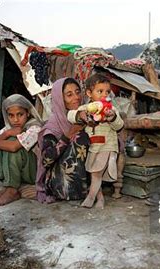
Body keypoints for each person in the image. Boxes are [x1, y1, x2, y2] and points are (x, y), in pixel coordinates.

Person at [67, 74, 124, 209]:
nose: (104, 95)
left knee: (97, 172)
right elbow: (70, 116)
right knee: (93, 172)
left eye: (107, 92)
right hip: (93, 147)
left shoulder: (111, 109)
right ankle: (100, 198)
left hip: (108, 146)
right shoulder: (86, 108)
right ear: (89, 93)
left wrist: (112, 117)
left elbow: (119, 125)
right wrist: (80, 116)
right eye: (100, 91)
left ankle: (90, 197)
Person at [36, 77, 90, 203]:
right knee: (80, 137)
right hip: (59, 181)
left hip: (83, 177)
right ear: (60, 100)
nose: (76, 97)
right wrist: (69, 134)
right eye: (69, 95)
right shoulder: (53, 126)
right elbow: (46, 160)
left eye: (77, 92)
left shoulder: (84, 115)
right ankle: (73, 189)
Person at [0, 94, 42, 207]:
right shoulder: (7, 129)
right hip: (16, 173)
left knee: (11, 142)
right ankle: (9, 184)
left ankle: (12, 189)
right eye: (11, 115)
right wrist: (6, 133)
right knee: (4, 142)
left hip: (31, 172)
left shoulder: (35, 127)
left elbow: (13, 147)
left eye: (20, 114)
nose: (15, 120)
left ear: (28, 113)